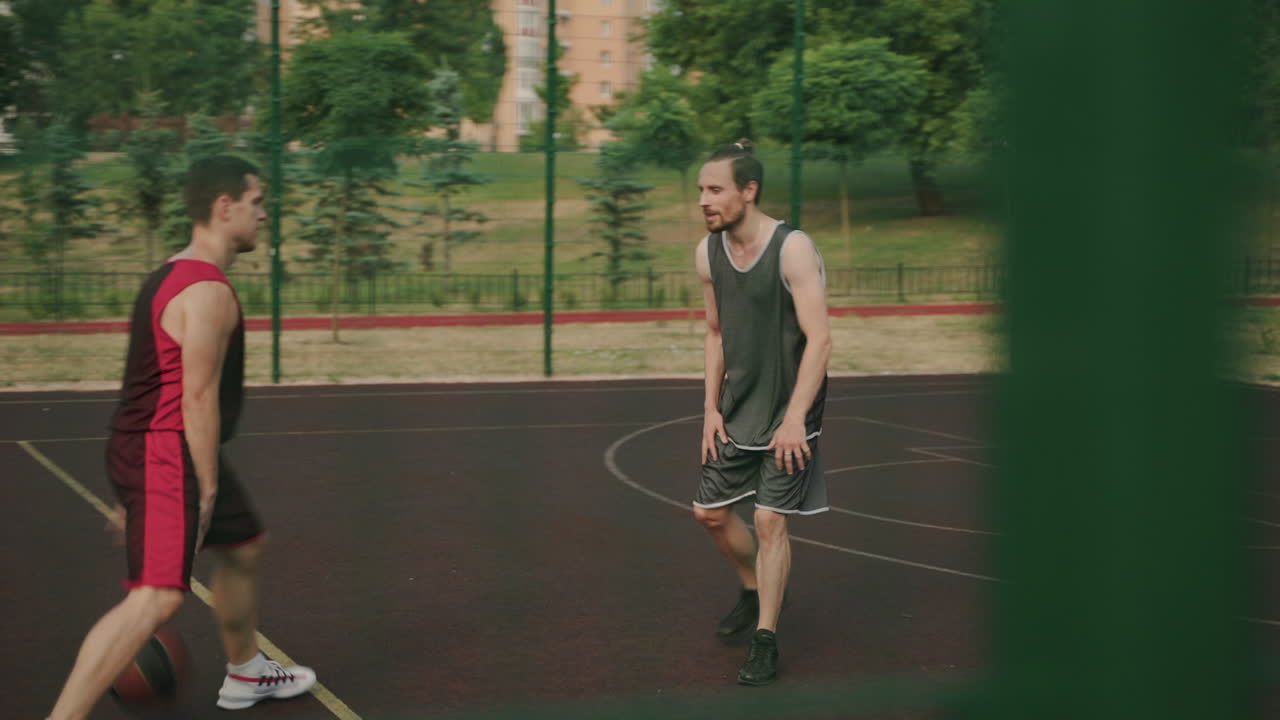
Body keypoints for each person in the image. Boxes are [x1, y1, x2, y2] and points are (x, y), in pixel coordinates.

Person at [48, 155, 316, 719]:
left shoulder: (169, 274)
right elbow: (195, 399)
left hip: (152, 447)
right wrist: (204, 488)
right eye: (256, 202)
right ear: (225, 208)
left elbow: (146, 382)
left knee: (244, 548)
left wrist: (137, 489)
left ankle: (246, 673)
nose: (263, 215)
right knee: (157, 597)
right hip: (170, 451)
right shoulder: (207, 292)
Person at [692, 139, 832, 686]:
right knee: (710, 514)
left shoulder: (793, 248)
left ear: (748, 191)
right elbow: (715, 332)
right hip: (737, 407)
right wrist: (709, 409)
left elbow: (819, 341)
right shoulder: (707, 254)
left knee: (771, 520)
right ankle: (755, 590)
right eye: (701, 190)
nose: (704, 200)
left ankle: (766, 640)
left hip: (792, 408)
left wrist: (796, 417)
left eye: (715, 189)